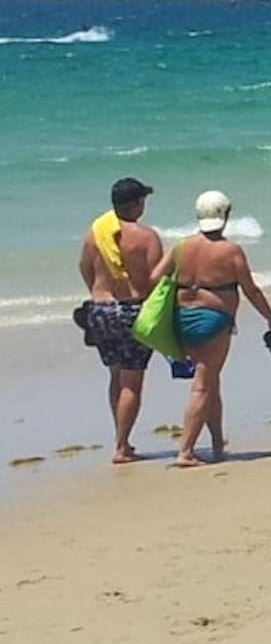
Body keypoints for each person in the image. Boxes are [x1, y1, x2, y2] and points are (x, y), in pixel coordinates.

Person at [151, 189, 271, 468]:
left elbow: (154, 276)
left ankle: (216, 444)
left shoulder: (181, 246)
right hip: (214, 320)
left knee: (210, 380)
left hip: (181, 318)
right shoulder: (230, 250)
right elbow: (251, 290)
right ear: (224, 216)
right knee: (203, 385)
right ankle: (186, 451)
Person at [76, 176, 163, 463]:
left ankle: (121, 439)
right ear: (136, 204)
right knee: (132, 381)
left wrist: (98, 291)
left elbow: (85, 268)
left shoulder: (95, 232)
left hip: (100, 311)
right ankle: (122, 445)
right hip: (130, 311)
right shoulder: (146, 236)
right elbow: (156, 279)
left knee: (116, 376)